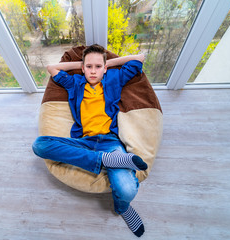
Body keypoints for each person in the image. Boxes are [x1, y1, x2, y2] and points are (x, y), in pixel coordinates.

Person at [32, 44, 146, 237]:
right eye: (89, 67)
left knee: (127, 191)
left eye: (98, 67)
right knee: (39, 145)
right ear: (83, 68)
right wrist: (84, 64)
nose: (93, 71)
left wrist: (105, 63)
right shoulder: (75, 83)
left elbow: (139, 58)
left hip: (110, 141)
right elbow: (52, 68)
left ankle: (122, 208)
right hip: (83, 142)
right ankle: (103, 161)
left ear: (105, 68)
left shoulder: (114, 79)